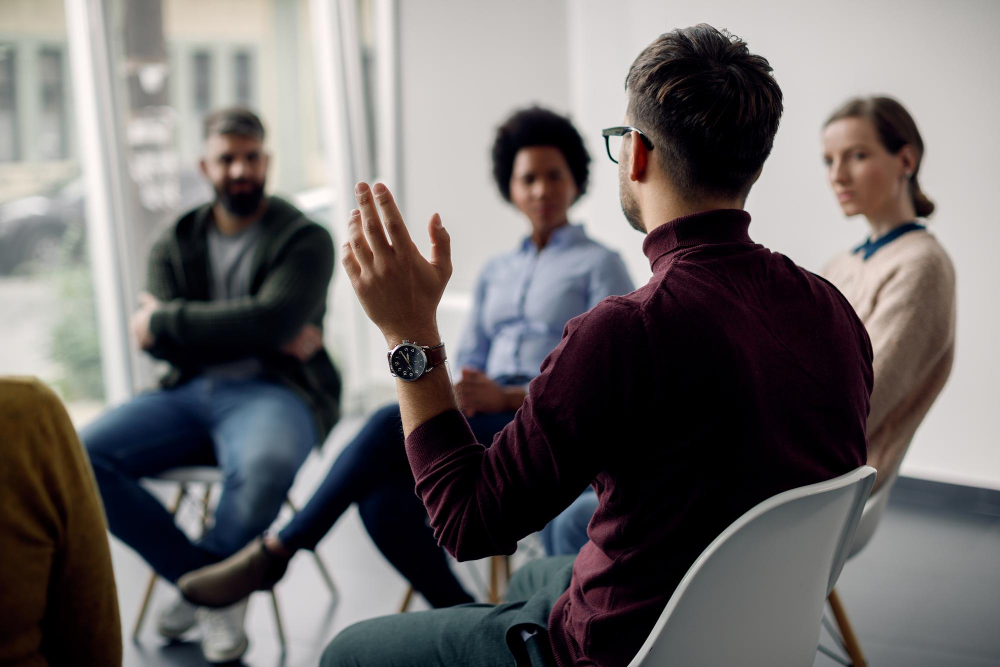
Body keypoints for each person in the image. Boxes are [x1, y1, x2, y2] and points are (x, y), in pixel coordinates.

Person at [320, 23, 873, 667]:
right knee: (534, 577)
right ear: (752, 162)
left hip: (616, 650)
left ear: (634, 155)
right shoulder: (831, 308)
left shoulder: (625, 332)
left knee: (347, 652)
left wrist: (407, 333)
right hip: (752, 635)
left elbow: (467, 523)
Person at [178, 106, 634, 611]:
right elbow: (469, 359)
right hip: (483, 412)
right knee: (381, 501)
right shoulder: (495, 271)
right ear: (511, 187)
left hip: (543, 417)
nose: (542, 190)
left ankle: (278, 550)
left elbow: (603, 377)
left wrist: (505, 394)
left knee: (380, 425)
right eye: (529, 178)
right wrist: (463, 392)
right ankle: (463, 615)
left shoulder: (600, 264)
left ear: (577, 181)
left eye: (555, 176)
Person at [81, 107, 341, 664]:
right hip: (186, 392)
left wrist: (173, 320)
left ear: (266, 161)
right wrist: (258, 326)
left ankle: (202, 591)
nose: (240, 169)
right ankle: (208, 586)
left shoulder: (306, 238)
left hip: (276, 391)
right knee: (80, 455)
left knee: (267, 466)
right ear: (205, 165)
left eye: (251, 157)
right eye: (227, 158)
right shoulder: (173, 239)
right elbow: (167, 343)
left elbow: (262, 320)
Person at [821, 96, 956, 493]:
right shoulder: (841, 264)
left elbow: (859, 407)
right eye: (829, 161)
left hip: (830, 486)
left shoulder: (921, 266)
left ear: (906, 161)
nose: (838, 175)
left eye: (857, 155)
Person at [0, 377, 122, 667]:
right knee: (96, 453)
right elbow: (94, 645)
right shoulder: (24, 410)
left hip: (242, 393)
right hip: (178, 391)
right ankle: (195, 575)